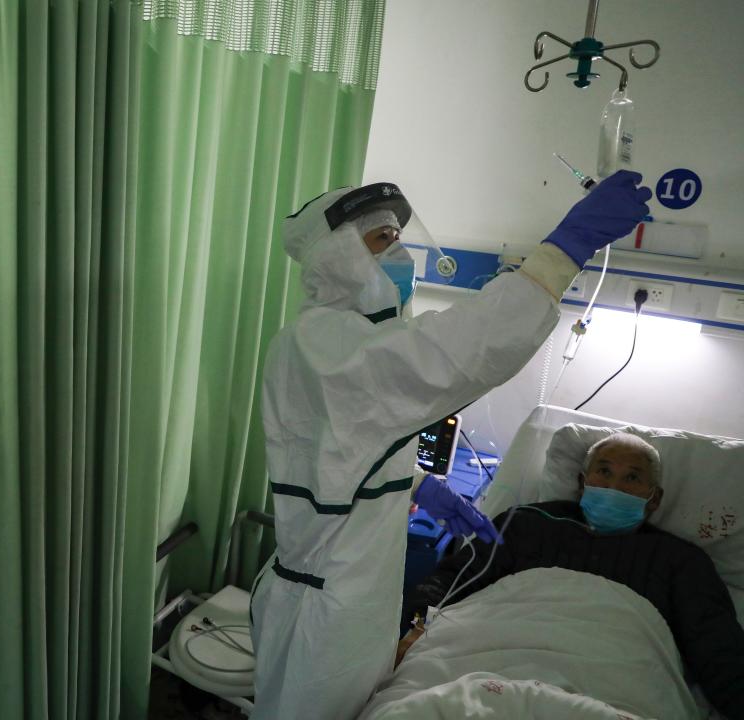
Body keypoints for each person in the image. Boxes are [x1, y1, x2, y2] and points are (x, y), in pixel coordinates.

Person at [249, 172, 652, 720]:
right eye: (381, 239)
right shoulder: (324, 344)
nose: (401, 252)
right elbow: (458, 349)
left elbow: (339, 452)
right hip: (326, 609)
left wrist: (420, 486)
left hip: (349, 594)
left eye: (399, 237)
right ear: (334, 256)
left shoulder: (348, 341)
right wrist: (563, 250)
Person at [401, 433, 744, 719]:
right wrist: (409, 627)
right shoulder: (526, 522)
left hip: (616, 677)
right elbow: (454, 578)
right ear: (583, 483)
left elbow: (718, 650)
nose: (614, 486)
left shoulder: (680, 560)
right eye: (604, 472)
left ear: (655, 500)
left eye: (633, 478)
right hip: (486, 652)